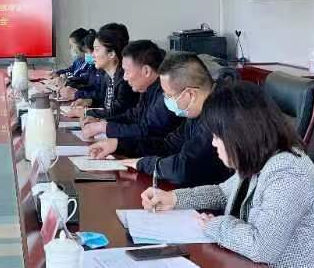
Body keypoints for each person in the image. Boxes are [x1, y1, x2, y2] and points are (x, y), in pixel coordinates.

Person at [141, 82, 314, 268]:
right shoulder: (260, 158)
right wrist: (174, 198)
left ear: (239, 135)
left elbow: (261, 247)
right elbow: (223, 192)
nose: (214, 143)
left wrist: (214, 225)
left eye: (217, 136)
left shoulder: (287, 173)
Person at [89, 51, 231, 187]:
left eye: (169, 95)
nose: (166, 100)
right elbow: (168, 146)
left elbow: (183, 168)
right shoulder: (196, 110)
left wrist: (142, 164)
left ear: (190, 95)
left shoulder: (220, 114)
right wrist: (119, 144)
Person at [81, 40, 182, 141]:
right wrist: (102, 121)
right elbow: (133, 116)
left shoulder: (166, 94)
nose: (124, 77)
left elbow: (149, 131)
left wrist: (104, 128)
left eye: (127, 71)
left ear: (146, 71)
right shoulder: (147, 88)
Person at [66, 27, 137, 120]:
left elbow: (116, 112)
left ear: (111, 54)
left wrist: (85, 112)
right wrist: (89, 101)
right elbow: (104, 100)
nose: (92, 55)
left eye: (96, 50)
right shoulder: (107, 76)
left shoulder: (125, 80)